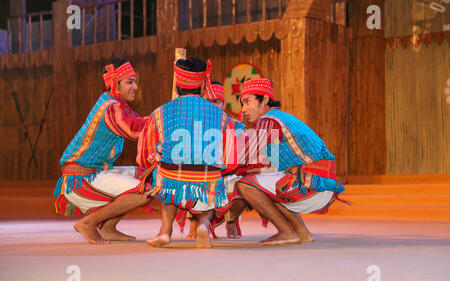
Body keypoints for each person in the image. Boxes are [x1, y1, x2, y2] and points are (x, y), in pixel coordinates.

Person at [136, 57, 237, 248]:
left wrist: (156, 160)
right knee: (213, 187)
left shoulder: (160, 112)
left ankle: (165, 231)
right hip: (207, 175)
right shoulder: (222, 116)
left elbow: (143, 154)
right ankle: (204, 225)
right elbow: (230, 159)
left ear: (177, 86)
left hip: (172, 172)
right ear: (202, 86)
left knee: (166, 183)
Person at [234, 78, 348, 246]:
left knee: (245, 185)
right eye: (242, 104)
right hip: (320, 182)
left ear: (264, 100)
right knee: (268, 181)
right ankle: (302, 233)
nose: (243, 109)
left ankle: (286, 232)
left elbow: (245, 160)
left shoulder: (268, 120)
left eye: (247, 102)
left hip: (311, 184)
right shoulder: (280, 118)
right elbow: (268, 164)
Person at [53, 57, 152, 245]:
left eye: (135, 82)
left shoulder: (117, 105)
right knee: (145, 191)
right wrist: (163, 117)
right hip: (82, 178)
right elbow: (134, 129)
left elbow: (141, 125)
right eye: (129, 82)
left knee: (149, 177)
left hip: (94, 173)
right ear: (115, 84)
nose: (135, 87)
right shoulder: (111, 107)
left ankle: (107, 228)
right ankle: (88, 223)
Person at [183, 81, 245, 239]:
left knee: (245, 184)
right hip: (201, 175)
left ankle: (231, 222)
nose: (212, 106)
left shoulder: (238, 127)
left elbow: (243, 158)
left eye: (216, 102)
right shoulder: (193, 126)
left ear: (224, 105)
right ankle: (194, 224)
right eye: (208, 102)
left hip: (228, 173)